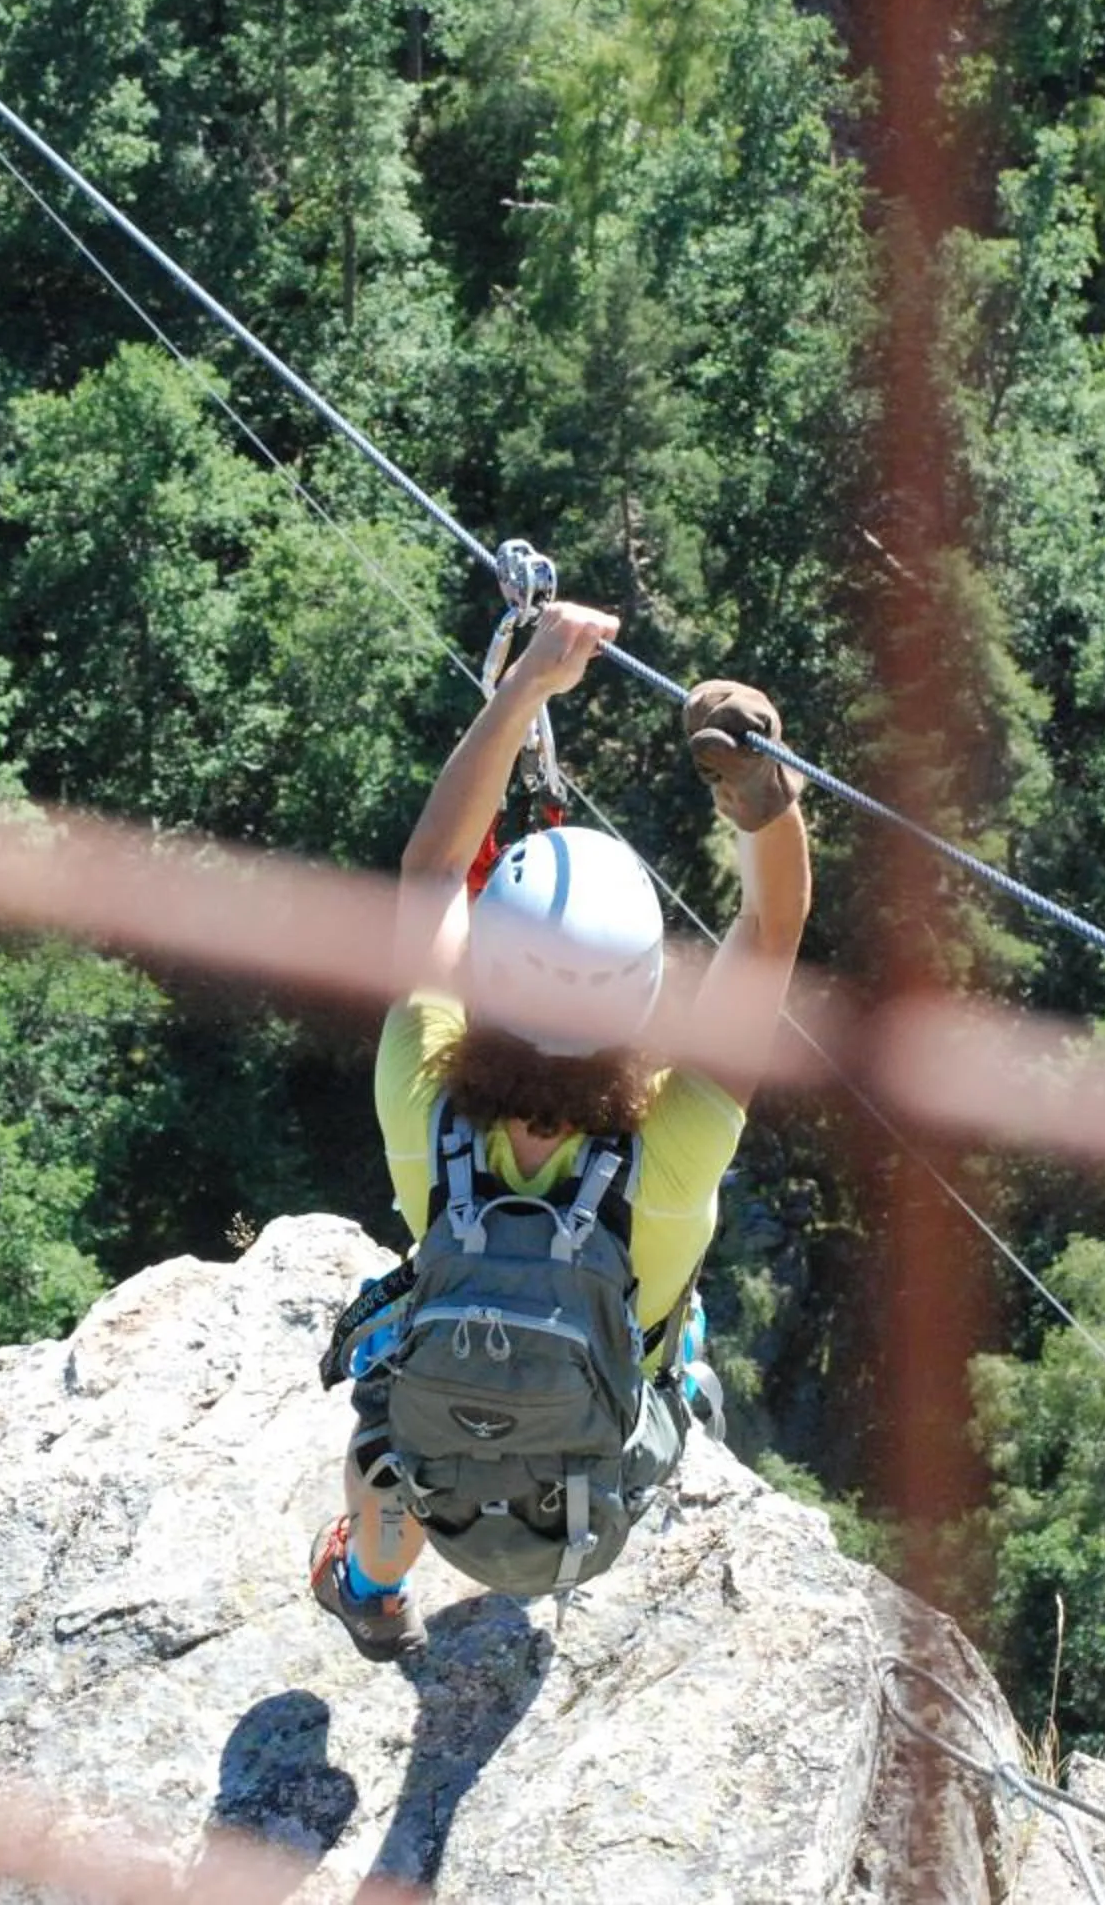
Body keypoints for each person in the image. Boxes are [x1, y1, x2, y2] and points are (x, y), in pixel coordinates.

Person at [311, 601, 812, 1659]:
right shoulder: (679, 1139)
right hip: (603, 1487)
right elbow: (770, 932)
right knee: (671, 1332)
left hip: (440, 1475)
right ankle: (671, 1363)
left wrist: (529, 681)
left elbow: (434, 871)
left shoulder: (419, 1081)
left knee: (389, 1399)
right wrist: (761, 801)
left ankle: (372, 1584)